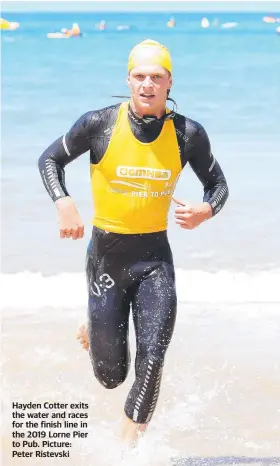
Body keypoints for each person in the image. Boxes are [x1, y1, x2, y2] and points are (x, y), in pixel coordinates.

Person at [38, 39, 229, 448]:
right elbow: (49, 159)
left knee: (153, 357)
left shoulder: (187, 134)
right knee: (111, 376)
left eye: (156, 77)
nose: (147, 84)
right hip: (106, 259)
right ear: (128, 79)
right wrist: (64, 202)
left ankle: (127, 451)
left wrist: (205, 211)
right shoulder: (99, 124)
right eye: (140, 76)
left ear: (169, 82)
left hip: (154, 259)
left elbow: (218, 185)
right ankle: (94, 317)